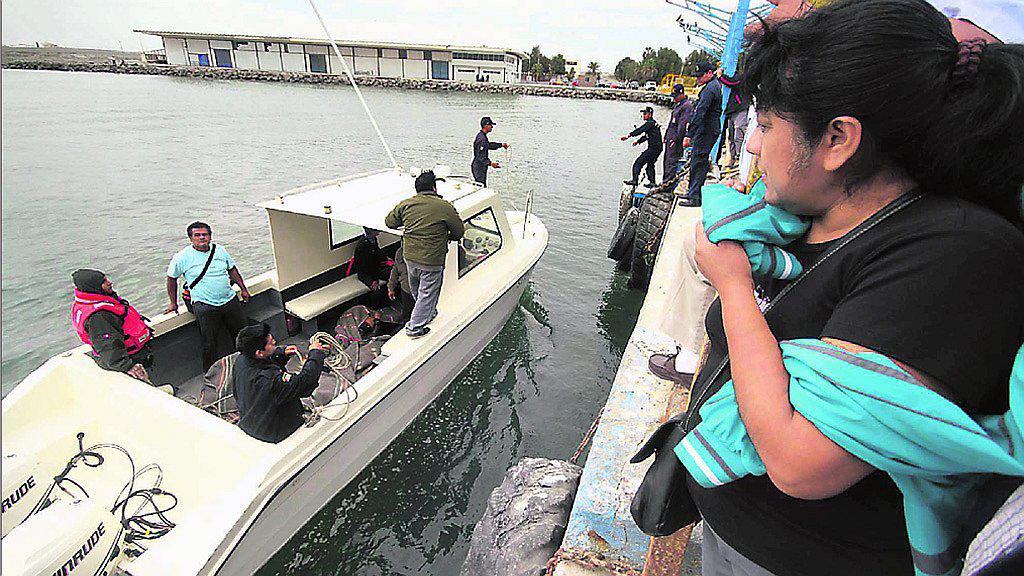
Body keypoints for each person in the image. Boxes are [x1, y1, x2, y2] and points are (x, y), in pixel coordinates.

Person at [660, 1, 1024, 575]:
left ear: (837, 140)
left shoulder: (951, 253)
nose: (752, 146)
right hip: (732, 532)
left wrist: (732, 287)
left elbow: (799, 461)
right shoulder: (813, 218)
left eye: (768, 124)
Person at [384, 171, 465, 338]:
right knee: (427, 293)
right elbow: (458, 233)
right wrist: (445, 235)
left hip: (410, 259)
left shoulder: (406, 205)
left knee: (418, 292)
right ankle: (414, 328)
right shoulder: (444, 206)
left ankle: (428, 313)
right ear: (434, 187)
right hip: (431, 261)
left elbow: (389, 222)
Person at [165, 221, 251, 371]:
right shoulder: (182, 257)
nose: (201, 238)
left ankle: (249, 365)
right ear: (190, 238)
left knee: (243, 335)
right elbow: (171, 278)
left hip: (229, 300)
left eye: (204, 234)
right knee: (209, 343)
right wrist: (173, 303)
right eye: (197, 235)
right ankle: (210, 375)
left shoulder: (220, 250)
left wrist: (243, 289)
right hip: (204, 304)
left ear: (210, 236)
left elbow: (232, 270)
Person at [232, 323, 326, 443]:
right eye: (271, 343)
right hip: (273, 434)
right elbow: (305, 383)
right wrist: (316, 354)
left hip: (251, 423)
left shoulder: (241, 360)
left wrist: (280, 353)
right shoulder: (270, 381)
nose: (275, 342)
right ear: (259, 352)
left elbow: (263, 362)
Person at [71, 269, 154, 383]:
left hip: (133, 354)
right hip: (125, 363)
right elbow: (108, 346)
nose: (109, 283)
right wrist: (128, 367)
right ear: (94, 287)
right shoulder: (99, 316)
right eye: (104, 282)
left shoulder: (89, 303)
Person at [679, 62, 723, 206]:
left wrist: (689, 134)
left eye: (700, 76)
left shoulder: (710, 89)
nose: (697, 79)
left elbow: (700, 112)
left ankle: (694, 197)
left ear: (709, 73)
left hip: (706, 131)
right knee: (698, 161)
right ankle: (692, 193)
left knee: (698, 162)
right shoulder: (712, 86)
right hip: (708, 130)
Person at [621, 106, 663, 187]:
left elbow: (640, 130)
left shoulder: (650, 123)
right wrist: (638, 141)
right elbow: (647, 136)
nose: (643, 115)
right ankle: (652, 183)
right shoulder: (653, 124)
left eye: (645, 114)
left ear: (650, 114)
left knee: (638, 163)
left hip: (653, 149)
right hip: (657, 148)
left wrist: (629, 135)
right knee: (650, 165)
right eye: (643, 114)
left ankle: (634, 180)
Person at [352, 228, 391, 308]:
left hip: (376, 269)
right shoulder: (363, 245)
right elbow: (363, 267)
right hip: (365, 273)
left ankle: (389, 301)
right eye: (376, 231)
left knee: (392, 277)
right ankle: (375, 309)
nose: (379, 233)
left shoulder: (373, 240)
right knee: (376, 290)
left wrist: (387, 260)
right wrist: (372, 281)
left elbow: (378, 253)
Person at [663, 84, 693, 182]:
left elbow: (682, 125)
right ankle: (665, 180)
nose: (674, 98)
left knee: (671, 161)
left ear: (681, 94)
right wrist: (666, 135)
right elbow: (671, 123)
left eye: (676, 96)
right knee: (667, 161)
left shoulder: (686, 106)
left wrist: (676, 139)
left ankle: (668, 183)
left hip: (675, 138)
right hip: (670, 137)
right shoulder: (678, 105)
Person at [721, 73, 750, 168]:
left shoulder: (742, 77)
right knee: (731, 137)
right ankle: (732, 159)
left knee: (739, 133)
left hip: (740, 109)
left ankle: (738, 157)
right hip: (731, 111)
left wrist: (721, 76)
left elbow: (731, 82)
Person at [472, 117, 509, 186]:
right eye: (490, 125)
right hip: (479, 167)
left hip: (480, 166)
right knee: (481, 187)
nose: (492, 127)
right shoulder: (482, 139)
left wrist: (501, 145)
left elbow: (489, 145)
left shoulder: (482, 136)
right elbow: (480, 156)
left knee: (481, 185)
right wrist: (491, 163)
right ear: (486, 126)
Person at [388, 241, 415, 322]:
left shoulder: (419, 253)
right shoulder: (400, 252)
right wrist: (391, 288)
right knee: (407, 314)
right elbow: (395, 270)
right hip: (406, 289)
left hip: (419, 289)